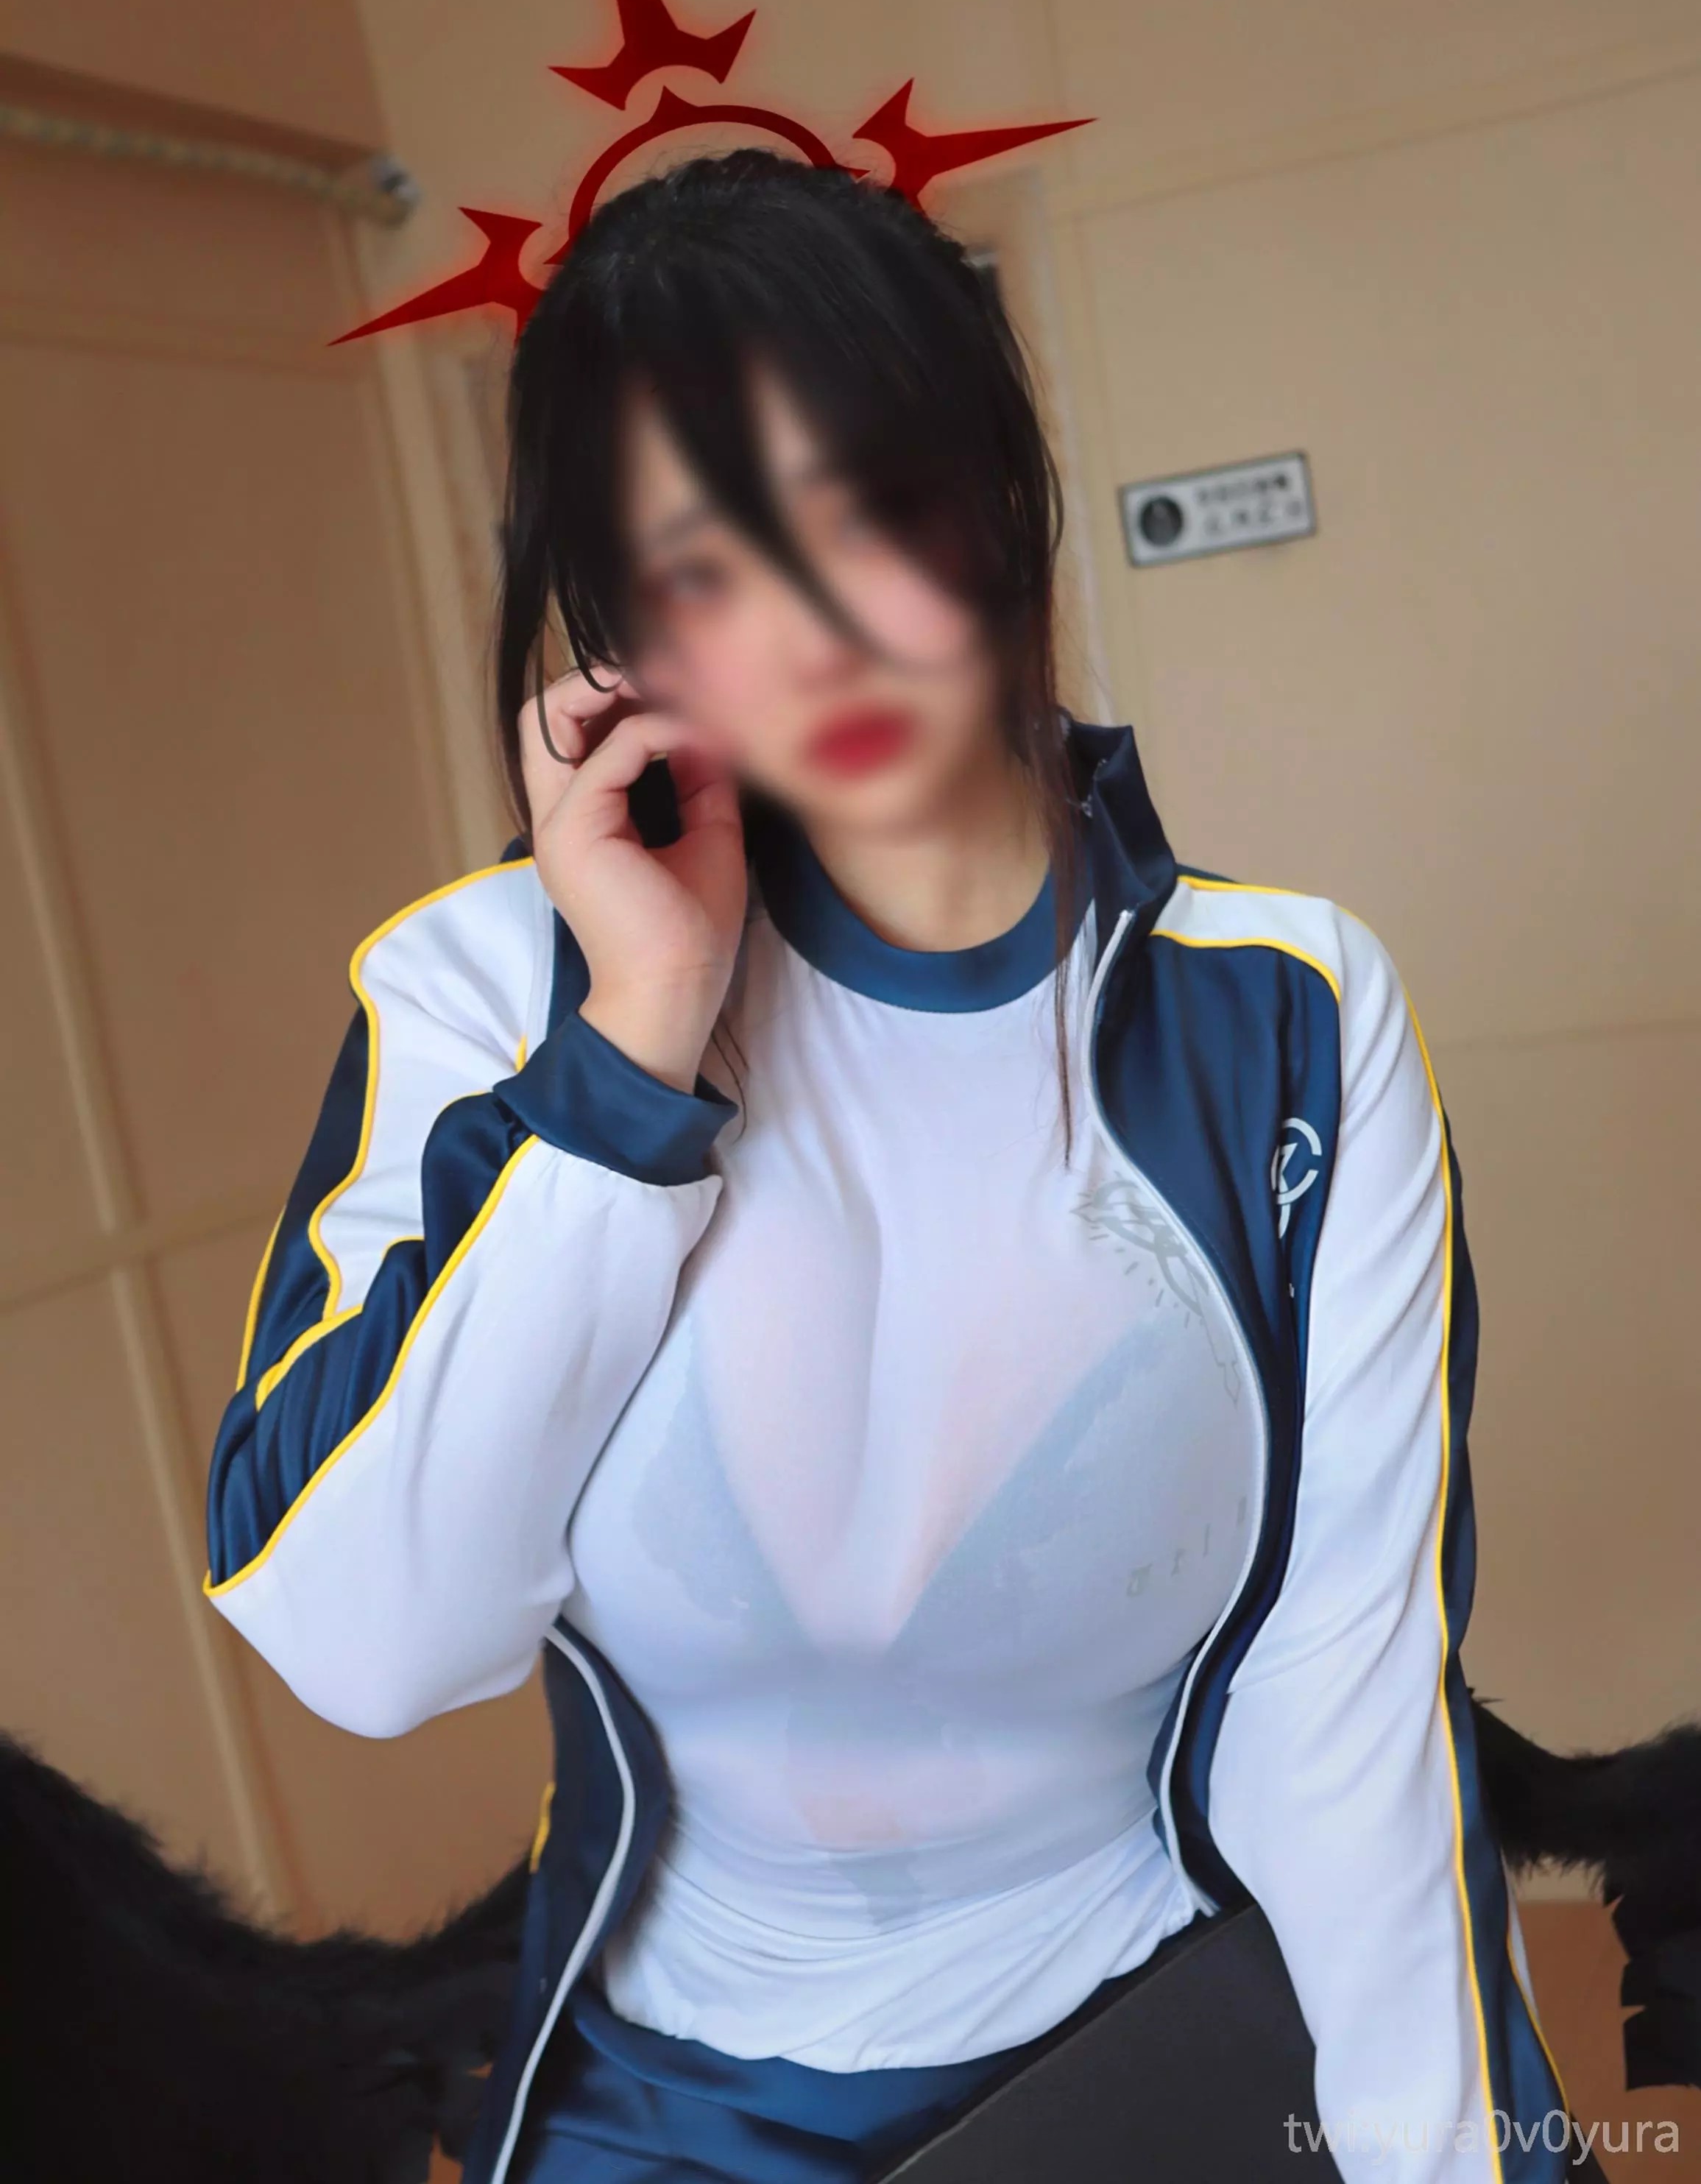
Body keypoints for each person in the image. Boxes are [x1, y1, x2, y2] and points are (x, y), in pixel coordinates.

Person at [203, 149, 1578, 2184]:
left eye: (865, 511)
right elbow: (373, 1641)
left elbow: (1343, 1702)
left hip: (1154, 2069)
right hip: (661, 2114)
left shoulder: (1290, 1013)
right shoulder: (495, 985)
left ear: (997, 492)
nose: (815, 632)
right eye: (706, 570)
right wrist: (633, 1045)